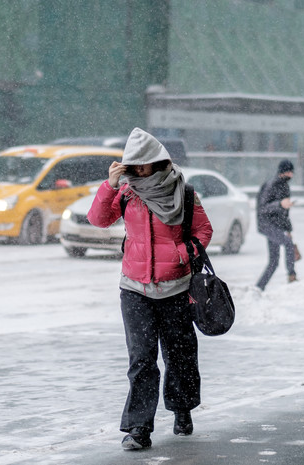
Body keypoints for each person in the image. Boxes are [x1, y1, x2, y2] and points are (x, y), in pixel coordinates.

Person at [87, 128, 213, 451]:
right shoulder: (127, 191)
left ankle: (181, 408)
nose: (139, 170)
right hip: (134, 289)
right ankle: (139, 429)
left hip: (175, 288)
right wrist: (109, 185)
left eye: (144, 164)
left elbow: (203, 229)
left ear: (158, 162)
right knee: (142, 359)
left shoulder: (182, 190)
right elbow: (98, 219)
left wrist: (183, 254)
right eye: (134, 165)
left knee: (179, 354)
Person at [255, 160, 297, 291]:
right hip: (267, 224)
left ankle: (259, 287)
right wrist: (279, 204)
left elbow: (284, 213)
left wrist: (288, 229)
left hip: (276, 225)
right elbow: (263, 208)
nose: (291, 175)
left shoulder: (284, 186)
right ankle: (292, 276)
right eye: (289, 172)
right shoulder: (271, 185)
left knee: (273, 262)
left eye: (292, 172)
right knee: (288, 244)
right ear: (282, 172)